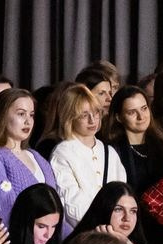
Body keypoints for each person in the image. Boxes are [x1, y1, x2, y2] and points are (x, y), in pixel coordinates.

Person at [46, 86, 122, 232]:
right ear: (70, 117)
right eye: (84, 115)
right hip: (84, 233)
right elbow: (70, 203)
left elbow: (122, 194)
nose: (92, 120)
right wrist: (98, 229)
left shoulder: (109, 151)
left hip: (114, 231)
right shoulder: (63, 152)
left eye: (96, 113)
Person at [0, 87, 54, 220]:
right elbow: (5, 206)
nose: (28, 121)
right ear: (3, 116)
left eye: (31, 115)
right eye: (21, 114)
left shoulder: (36, 156)